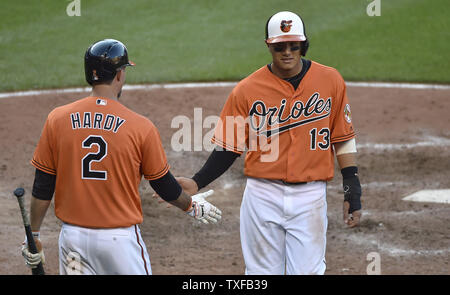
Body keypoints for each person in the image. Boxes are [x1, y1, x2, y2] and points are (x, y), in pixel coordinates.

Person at [174, 11, 362, 275]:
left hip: (310, 195)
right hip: (262, 195)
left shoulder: (330, 81)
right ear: (269, 46)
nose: (287, 52)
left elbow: (342, 137)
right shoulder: (247, 89)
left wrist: (352, 185)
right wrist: (197, 181)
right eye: (279, 46)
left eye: (293, 46)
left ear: (303, 45)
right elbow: (229, 146)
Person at [20, 39, 221, 275]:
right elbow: (162, 184)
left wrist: (32, 237)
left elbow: (43, 185)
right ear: (118, 75)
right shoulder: (140, 127)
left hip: (72, 243)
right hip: (118, 245)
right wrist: (191, 207)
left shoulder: (57, 119)